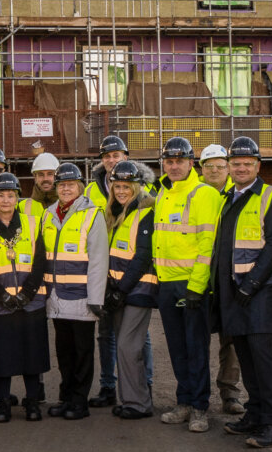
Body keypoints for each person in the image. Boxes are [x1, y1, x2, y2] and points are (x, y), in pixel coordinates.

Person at [212, 137, 272, 449]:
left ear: (258, 166)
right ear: (229, 167)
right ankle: (255, 414)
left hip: (259, 291)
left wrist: (252, 284)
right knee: (245, 357)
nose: (241, 168)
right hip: (233, 292)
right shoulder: (227, 197)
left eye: (248, 163)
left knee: (263, 358)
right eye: (236, 163)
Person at [152, 136, 221, 432]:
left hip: (192, 285)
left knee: (196, 348)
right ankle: (183, 401)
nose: (174, 166)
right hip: (167, 284)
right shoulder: (162, 194)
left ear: (191, 163)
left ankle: (200, 408)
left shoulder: (203, 194)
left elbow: (208, 244)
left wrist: (197, 285)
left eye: (179, 161)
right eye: (169, 161)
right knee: (177, 348)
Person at [36, 162, 106, 420]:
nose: (66, 189)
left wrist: (96, 298)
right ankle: (66, 398)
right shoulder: (49, 213)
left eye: (70, 184)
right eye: (61, 185)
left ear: (80, 186)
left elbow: (99, 260)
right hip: (56, 296)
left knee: (82, 352)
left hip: (82, 296)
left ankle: (80, 401)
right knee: (64, 351)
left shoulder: (92, 214)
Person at [0, 173, 48, 422]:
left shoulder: (32, 223)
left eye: (10, 195)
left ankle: (32, 402)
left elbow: (41, 261)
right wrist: (1, 296)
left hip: (31, 303)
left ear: (18, 197)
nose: (5, 200)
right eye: (0, 195)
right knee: (1, 356)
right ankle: (4, 403)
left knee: (32, 355)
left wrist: (27, 293)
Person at [104, 160, 157, 420]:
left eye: (127, 186)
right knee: (125, 348)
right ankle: (130, 399)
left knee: (128, 346)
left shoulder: (146, 212)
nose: (122, 191)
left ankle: (139, 403)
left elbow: (143, 256)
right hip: (119, 291)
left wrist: (121, 289)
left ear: (137, 187)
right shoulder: (116, 213)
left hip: (138, 290)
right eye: (117, 186)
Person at [198, 141, 246, 416]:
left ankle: (230, 393)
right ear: (201, 168)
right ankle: (198, 394)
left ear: (228, 168)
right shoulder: (193, 194)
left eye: (219, 166)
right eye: (209, 166)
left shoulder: (238, 196)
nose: (215, 170)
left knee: (232, 341)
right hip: (201, 278)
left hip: (230, 279)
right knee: (198, 339)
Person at [87, 134, 129, 407]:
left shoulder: (141, 183)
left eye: (116, 155)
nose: (111, 160)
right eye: (107, 156)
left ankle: (140, 386)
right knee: (105, 334)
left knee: (134, 335)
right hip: (101, 269)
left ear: (126, 156)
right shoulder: (92, 189)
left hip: (128, 269)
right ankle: (107, 387)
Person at [22, 152, 58, 225]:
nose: (45, 179)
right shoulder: (22, 207)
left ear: (56, 176)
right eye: (41, 174)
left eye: (50, 174)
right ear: (35, 177)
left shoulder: (66, 205)